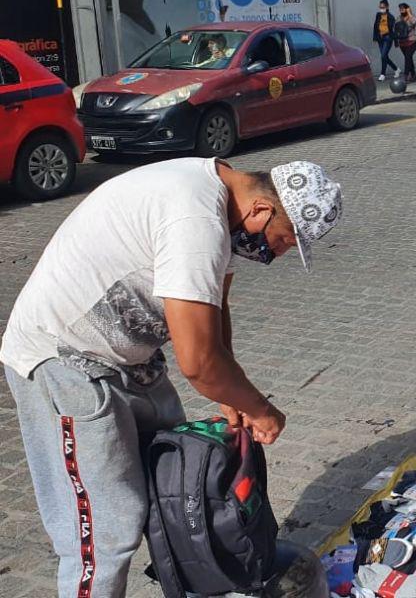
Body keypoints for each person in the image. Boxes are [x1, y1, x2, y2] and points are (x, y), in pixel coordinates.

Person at [1, 158, 343, 596]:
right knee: (104, 533)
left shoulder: (220, 202)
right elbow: (199, 362)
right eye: (281, 242)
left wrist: (232, 391)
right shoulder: (196, 219)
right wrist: (262, 409)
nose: (274, 255)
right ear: (260, 211)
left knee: (181, 486)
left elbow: (215, 312)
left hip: (130, 359)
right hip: (65, 361)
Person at [372, 0, 398, 81]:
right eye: (380, 7)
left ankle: (382, 74)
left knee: (383, 56)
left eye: (383, 7)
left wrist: (396, 42)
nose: (381, 8)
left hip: (388, 38)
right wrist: (375, 37)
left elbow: (394, 30)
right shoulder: (378, 15)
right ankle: (396, 69)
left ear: (387, 7)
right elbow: (375, 26)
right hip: (380, 38)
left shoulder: (391, 17)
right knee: (384, 56)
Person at [396, 2, 416, 82]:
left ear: (407, 9)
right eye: (400, 9)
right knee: (409, 58)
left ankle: (405, 76)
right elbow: (396, 29)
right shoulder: (399, 18)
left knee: (408, 57)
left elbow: (414, 22)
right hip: (403, 43)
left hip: (412, 41)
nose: (401, 10)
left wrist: (409, 13)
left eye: (403, 8)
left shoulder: (411, 17)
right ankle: (413, 75)